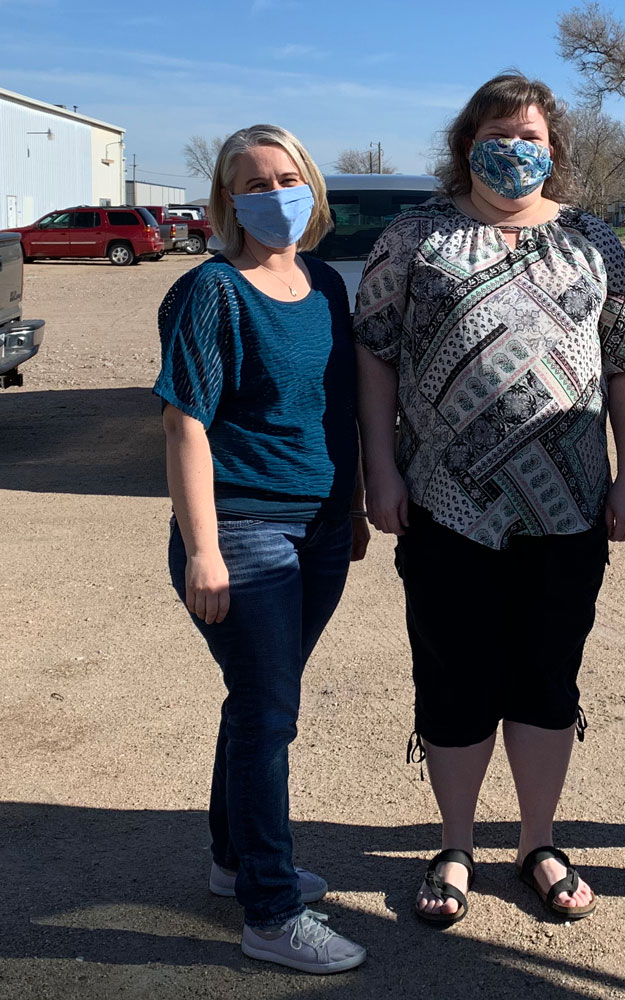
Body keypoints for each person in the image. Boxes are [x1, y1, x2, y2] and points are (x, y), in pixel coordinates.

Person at [354, 73, 625, 925]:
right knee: (453, 677)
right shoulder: (417, 236)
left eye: (528, 135)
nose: (513, 149)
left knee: (546, 678)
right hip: (445, 503)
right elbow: (372, 352)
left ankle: (537, 841)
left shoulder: (595, 240)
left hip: (568, 508)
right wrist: (381, 466)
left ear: (553, 146)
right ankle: (454, 844)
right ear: (466, 143)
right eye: (496, 134)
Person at [154, 124, 368, 973]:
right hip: (242, 532)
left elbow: (339, 407)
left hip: (317, 528)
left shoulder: (322, 284)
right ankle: (270, 913)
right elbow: (184, 423)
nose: (274, 192)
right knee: (269, 715)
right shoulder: (211, 291)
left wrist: (348, 507)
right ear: (227, 200)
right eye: (253, 182)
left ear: (310, 185)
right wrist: (202, 548)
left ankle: (235, 861)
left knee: (256, 706)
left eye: (287, 176)